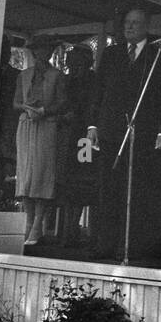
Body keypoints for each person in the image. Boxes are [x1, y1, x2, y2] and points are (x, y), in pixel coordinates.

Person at [85, 7, 161, 260]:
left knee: (138, 192)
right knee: (108, 188)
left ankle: (134, 245)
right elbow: (98, 92)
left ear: (146, 26)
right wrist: (93, 126)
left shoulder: (158, 56)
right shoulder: (111, 55)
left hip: (143, 134)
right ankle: (105, 244)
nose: (130, 27)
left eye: (135, 23)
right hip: (111, 131)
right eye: (127, 23)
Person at [13, 35, 67, 246]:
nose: (42, 54)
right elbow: (15, 102)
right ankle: (27, 221)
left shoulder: (57, 75)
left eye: (46, 50)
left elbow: (63, 103)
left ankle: (38, 224)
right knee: (26, 173)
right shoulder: (24, 75)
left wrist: (44, 111)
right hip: (26, 124)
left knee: (42, 173)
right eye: (39, 50)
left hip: (47, 125)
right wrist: (27, 108)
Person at [58, 44, 98, 248]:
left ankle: (73, 230)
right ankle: (65, 230)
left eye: (77, 64)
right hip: (66, 138)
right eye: (71, 65)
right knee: (65, 181)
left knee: (82, 181)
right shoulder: (67, 81)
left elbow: (92, 108)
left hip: (85, 139)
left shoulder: (93, 81)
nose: (73, 68)